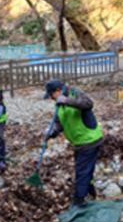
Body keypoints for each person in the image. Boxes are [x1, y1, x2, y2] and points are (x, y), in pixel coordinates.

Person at [43, 79, 103, 209]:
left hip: (89, 139)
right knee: (86, 168)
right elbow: (59, 121)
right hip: (79, 141)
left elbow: (88, 104)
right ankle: (90, 190)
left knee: (81, 170)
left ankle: (79, 200)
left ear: (58, 91)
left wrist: (66, 100)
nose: (51, 99)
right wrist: (53, 132)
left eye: (52, 95)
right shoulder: (58, 104)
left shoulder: (76, 94)